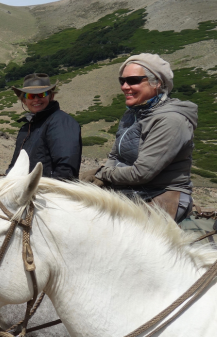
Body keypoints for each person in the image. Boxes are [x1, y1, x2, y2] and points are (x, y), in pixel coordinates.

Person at [81, 53, 198, 223]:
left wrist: (102, 174)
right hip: (131, 192)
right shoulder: (133, 114)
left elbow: (141, 173)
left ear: (157, 82)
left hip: (162, 195)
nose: (125, 87)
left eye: (134, 80)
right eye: (122, 81)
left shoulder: (171, 120)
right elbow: (115, 156)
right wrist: (106, 176)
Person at [6, 73, 82, 180]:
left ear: (51, 96)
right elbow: (15, 166)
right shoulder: (25, 128)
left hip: (47, 193)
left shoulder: (61, 122)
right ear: (24, 100)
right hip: (26, 192)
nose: (36, 99)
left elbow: (66, 169)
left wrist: (46, 191)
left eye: (42, 94)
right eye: (31, 96)